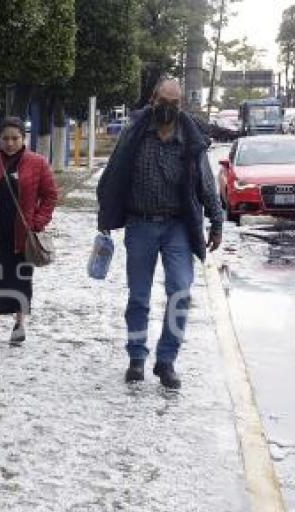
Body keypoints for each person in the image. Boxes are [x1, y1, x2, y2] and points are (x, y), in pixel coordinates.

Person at [97, 78, 223, 389]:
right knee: (139, 297)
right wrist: (106, 214)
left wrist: (217, 221)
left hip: (178, 227)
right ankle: (137, 357)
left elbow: (206, 184)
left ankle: (166, 360)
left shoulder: (190, 139)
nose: (168, 108)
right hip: (140, 225)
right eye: (163, 101)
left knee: (180, 292)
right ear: (153, 100)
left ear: (181, 105)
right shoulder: (136, 135)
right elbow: (113, 174)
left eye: (174, 103)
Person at [0, 117, 59, 346]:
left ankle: (19, 326)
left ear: (23, 138)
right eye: (5, 138)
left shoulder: (37, 163)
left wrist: (37, 222)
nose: (9, 143)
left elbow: (50, 195)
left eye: (15, 138)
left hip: (22, 236)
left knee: (20, 280)